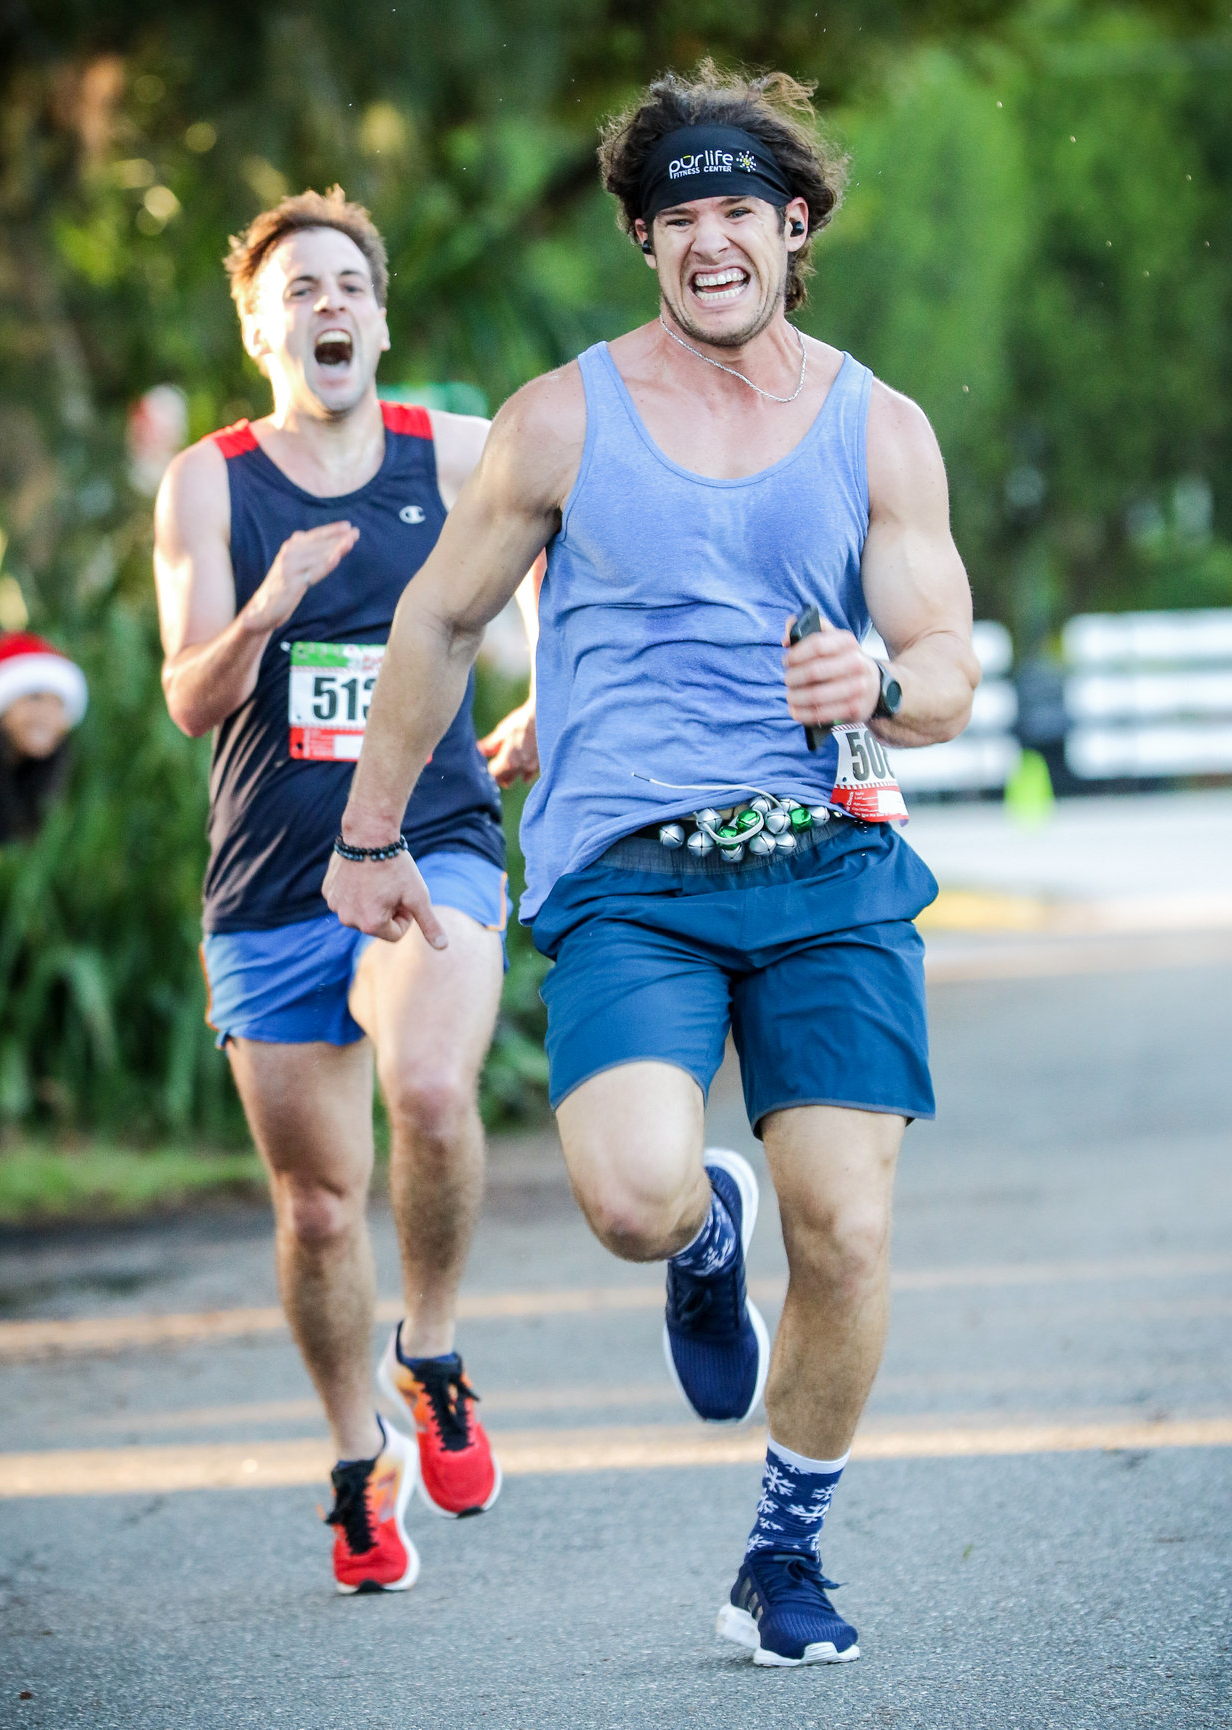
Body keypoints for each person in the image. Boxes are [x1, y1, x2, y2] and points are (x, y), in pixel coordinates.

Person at [322, 64, 980, 1665]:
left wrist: (882, 690)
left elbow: (947, 661)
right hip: (632, 872)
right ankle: (700, 1238)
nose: (709, 244)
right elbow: (441, 618)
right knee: (627, 1196)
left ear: (794, 223)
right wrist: (369, 830)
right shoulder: (562, 417)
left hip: (828, 863)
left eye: (738, 211)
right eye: (677, 217)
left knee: (845, 1233)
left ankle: (783, 1551)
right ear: (641, 236)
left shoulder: (875, 426)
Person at [154, 187, 538, 1596]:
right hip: (269, 877)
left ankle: (429, 1351)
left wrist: (552, 694)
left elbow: (565, 574)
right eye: (297, 290)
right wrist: (268, 606)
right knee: (316, 1207)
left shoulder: (459, 452)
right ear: (261, 331)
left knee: (432, 1089)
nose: (326, 306)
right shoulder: (212, 482)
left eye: (347, 287)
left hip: (431, 835)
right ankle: (353, 1457)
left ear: (379, 319)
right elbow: (190, 698)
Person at [0, 633, 88, 905]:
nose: (47, 714)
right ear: (0, 705)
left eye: (58, 703)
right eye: (34, 698)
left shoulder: (18, 781)